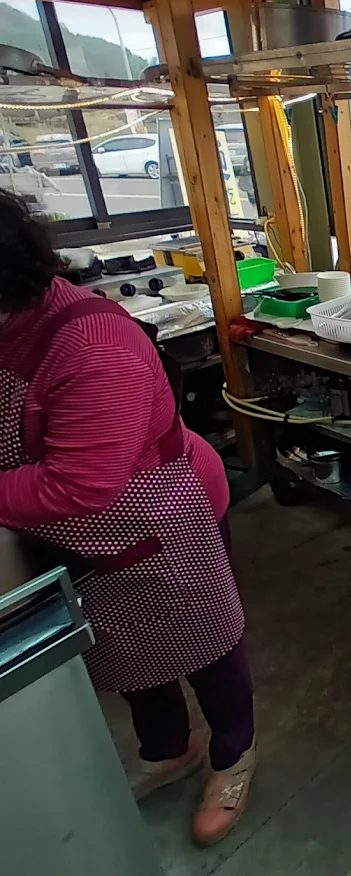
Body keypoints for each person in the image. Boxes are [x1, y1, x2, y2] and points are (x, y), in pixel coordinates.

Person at [0, 192, 256, 846]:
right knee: (122, 646)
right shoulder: (12, 325)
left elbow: (78, 483)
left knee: (206, 643)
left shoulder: (90, 343)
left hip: (162, 520)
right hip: (77, 538)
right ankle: (167, 747)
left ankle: (234, 753)